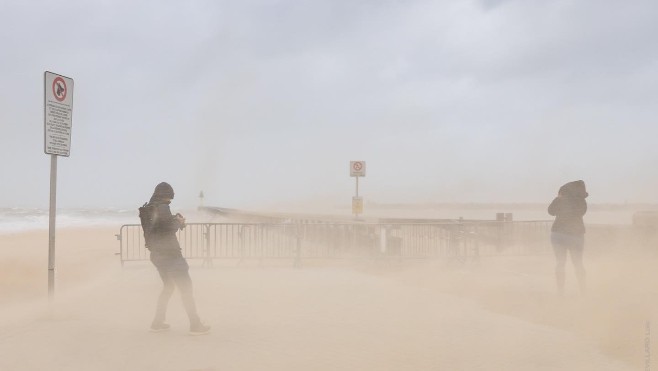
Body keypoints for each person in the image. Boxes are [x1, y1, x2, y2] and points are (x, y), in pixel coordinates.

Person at [146, 182, 210, 334]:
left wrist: (173, 220)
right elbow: (168, 229)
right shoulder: (162, 207)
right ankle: (195, 325)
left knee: (168, 287)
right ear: (168, 194)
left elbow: (159, 227)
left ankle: (157, 322)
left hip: (157, 255)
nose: (171, 199)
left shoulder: (149, 208)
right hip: (171, 256)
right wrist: (179, 222)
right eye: (170, 195)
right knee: (186, 289)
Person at [547, 180, 588, 296]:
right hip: (576, 235)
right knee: (578, 263)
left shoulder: (561, 199)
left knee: (560, 263)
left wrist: (558, 198)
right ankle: (583, 290)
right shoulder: (581, 201)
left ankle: (560, 291)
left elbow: (550, 211)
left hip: (558, 234)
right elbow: (582, 212)